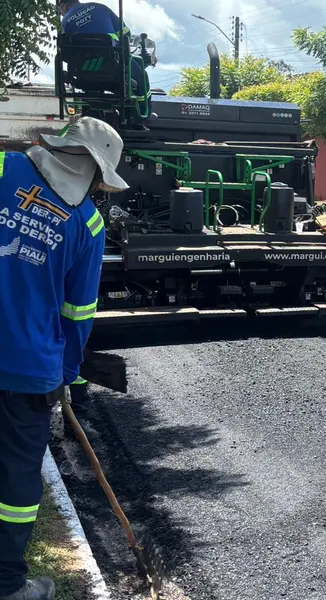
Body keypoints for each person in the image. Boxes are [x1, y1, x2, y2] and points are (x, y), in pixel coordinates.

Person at [0, 117, 129, 600]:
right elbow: (79, 314)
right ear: (95, 171)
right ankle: (9, 586)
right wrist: (68, 376)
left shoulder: (3, 168)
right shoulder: (88, 223)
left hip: (28, 368)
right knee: (14, 479)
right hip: (32, 371)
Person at [58, 0, 154, 123]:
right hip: (113, 65)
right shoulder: (100, 8)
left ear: (63, 6)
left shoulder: (65, 22)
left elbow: (65, 52)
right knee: (142, 77)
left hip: (83, 72)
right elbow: (126, 33)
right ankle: (142, 115)